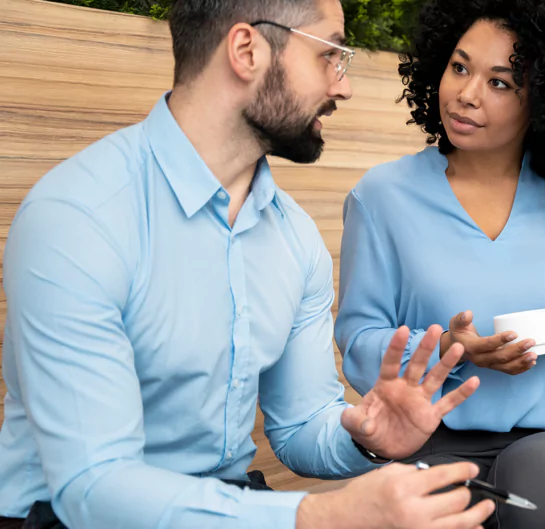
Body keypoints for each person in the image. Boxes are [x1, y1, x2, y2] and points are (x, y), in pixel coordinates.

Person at [0, 0, 496, 528]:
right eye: (330, 55)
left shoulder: (295, 239)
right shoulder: (79, 217)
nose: (342, 86)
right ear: (246, 50)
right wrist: (320, 517)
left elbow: (301, 425)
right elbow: (93, 488)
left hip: (234, 501)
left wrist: (366, 438)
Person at [334, 0, 545, 527]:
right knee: (454, 501)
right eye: (459, 67)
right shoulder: (382, 197)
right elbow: (358, 344)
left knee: (539, 474)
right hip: (433, 442)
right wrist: (448, 349)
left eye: (500, 82)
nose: (465, 94)